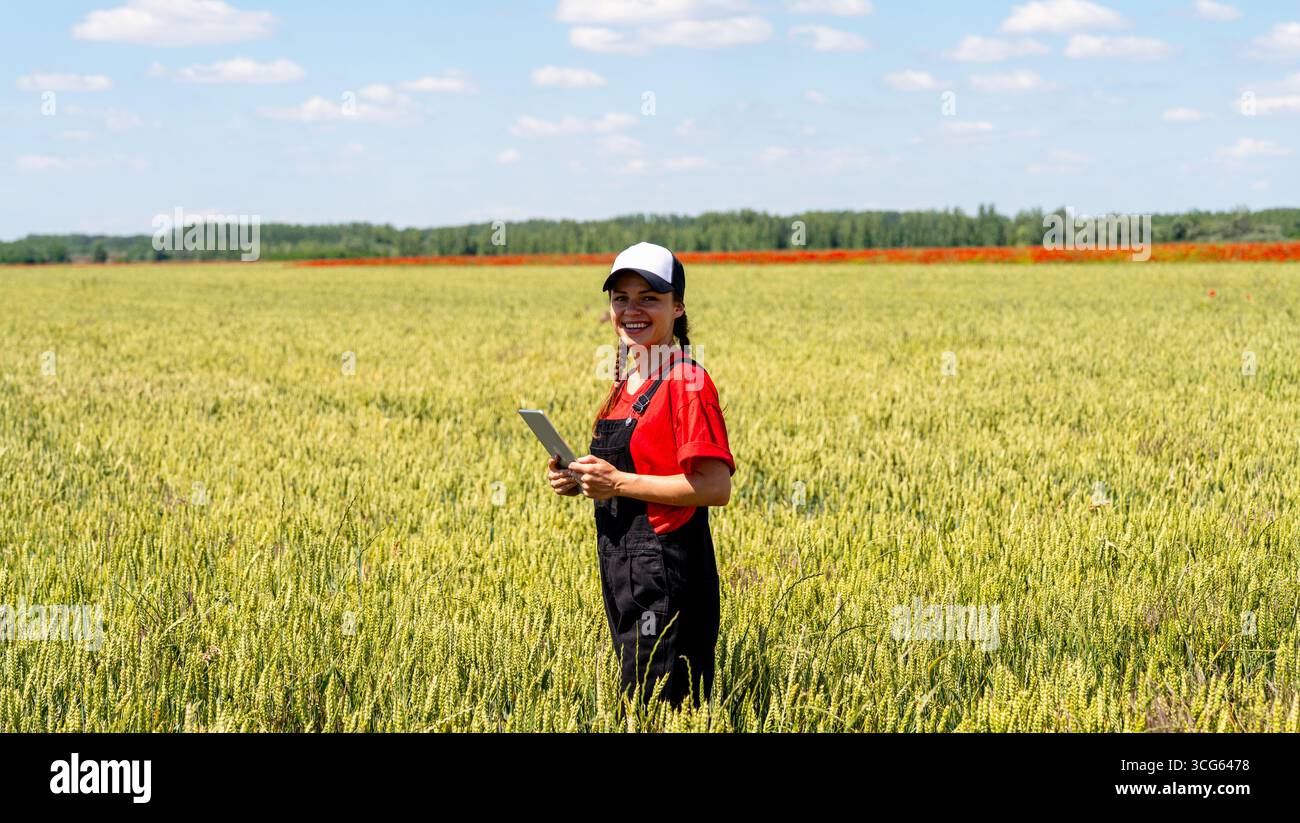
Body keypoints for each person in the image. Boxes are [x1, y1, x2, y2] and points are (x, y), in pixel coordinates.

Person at [546, 241, 735, 709]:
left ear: (678, 307)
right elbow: (632, 469)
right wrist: (578, 479)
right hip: (621, 564)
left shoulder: (686, 381)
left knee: (663, 707)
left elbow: (714, 487)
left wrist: (617, 483)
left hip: (666, 570)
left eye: (649, 297)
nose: (632, 310)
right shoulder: (627, 381)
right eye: (621, 298)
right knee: (639, 701)